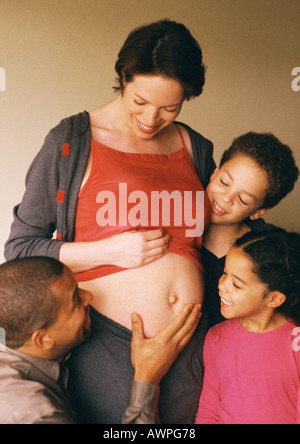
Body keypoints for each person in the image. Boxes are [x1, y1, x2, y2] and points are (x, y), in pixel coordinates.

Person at [4, 19, 214, 423]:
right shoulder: (71, 141)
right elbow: (20, 249)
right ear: (123, 77)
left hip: (191, 347)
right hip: (108, 347)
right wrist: (110, 250)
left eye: (170, 107)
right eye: (140, 101)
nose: (151, 118)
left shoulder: (197, 148)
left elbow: (216, 240)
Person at [0, 256, 201, 424]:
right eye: (75, 300)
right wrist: (147, 377)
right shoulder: (35, 415)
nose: (89, 295)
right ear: (43, 339)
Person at [195, 227, 300, 424]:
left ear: (274, 298)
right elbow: (208, 412)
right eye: (225, 273)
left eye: (236, 284)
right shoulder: (216, 337)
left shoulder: (296, 343)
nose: (222, 285)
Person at [202, 132, 299, 327]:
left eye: (243, 199)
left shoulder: (268, 255)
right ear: (215, 171)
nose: (226, 198)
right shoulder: (175, 222)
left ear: (259, 211)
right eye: (224, 182)